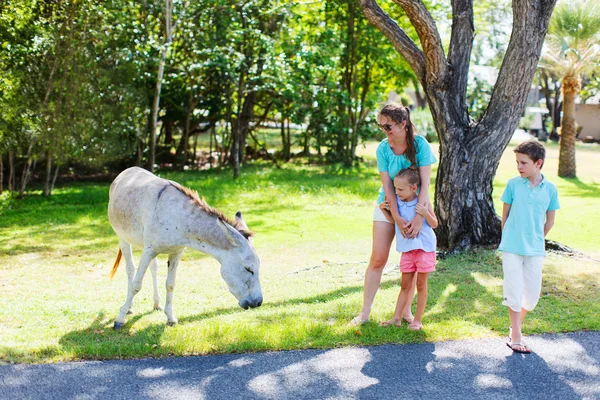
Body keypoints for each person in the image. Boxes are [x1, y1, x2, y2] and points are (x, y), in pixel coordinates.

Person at [351, 102, 437, 326]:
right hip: (389, 205)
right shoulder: (382, 148)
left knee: (414, 260)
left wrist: (419, 217)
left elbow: (426, 186)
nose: (384, 131)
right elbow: (388, 187)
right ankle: (364, 312)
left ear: (403, 124)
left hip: (417, 207)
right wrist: (397, 217)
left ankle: (406, 313)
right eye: (380, 126)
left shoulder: (420, 146)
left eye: (388, 126)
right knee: (378, 258)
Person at [499, 141, 559, 354]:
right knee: (513, 291)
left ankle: (515, 325)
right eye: (517, 162)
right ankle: (516, 334)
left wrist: (535, 238)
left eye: (523, 163)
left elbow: (549, 221)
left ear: (538, 163)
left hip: (535, 248)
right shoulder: (513, 185)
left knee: (531, 297)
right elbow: (504, 214)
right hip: (512, 247)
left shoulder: (550, 189)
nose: (519, 167)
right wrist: (508, 236)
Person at [378, 168, 438, 330]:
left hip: (424, 249)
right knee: (405, 285)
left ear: (413, 188)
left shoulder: (423, 202)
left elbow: (435, 224)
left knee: (421, 285)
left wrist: (425, 213)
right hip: (407, 251)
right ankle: (396, 318)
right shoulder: (397, 204)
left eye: (400, 189)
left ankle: (418, 320)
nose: (397, 192)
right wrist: (384, 209)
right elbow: (394, 222)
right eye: (395, 188)